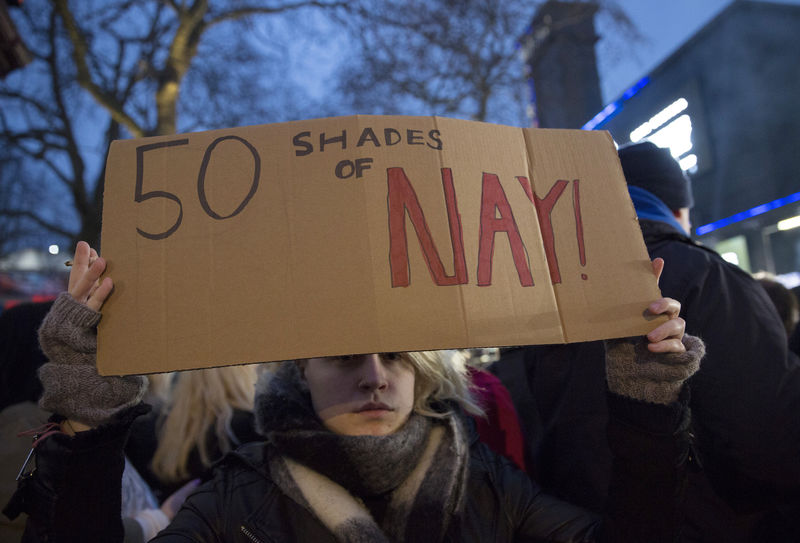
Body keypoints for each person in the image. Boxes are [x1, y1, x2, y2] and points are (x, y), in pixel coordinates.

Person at [6, 241, 703, 542]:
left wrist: (646, 408)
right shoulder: (237, 493)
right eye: (344, 356)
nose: (374, 373)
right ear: (299, 370)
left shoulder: (484, 479)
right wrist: (89, 416)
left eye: (395, 355)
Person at [493, 141, 800, 542]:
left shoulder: (543, 288)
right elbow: (766, 445)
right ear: (677, 209)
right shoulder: (710, 278)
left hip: (569, 526)